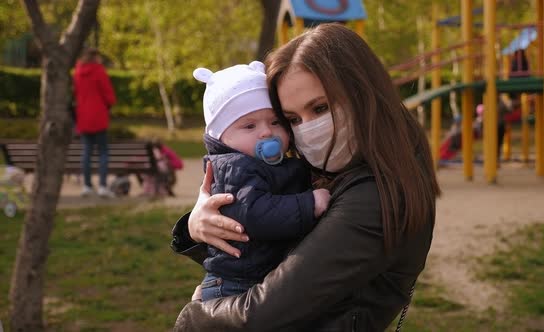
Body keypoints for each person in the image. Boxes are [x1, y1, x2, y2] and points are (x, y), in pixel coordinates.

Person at [170, 23, 440, 331]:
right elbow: (264, 242)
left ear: (363, 95)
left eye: (321, 108)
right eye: (293, 119)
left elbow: (260, 314)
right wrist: (199, 224)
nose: (308, 128)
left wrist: (194, 316)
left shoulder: (374, 198)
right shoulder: (339, 169)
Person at [190, 61, 330, 301]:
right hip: (236, 285)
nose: (266, 132)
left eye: (275, 122)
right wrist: (308, 204)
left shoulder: (270, 164)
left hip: (257, 278)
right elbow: (255, 213)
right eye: (249, 125)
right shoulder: (235, 166)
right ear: (221, 136)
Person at [73, 47, 117, 198]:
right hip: (98, 116)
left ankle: (87, 185)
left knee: (86, 152)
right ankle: (103, 186)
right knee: (103, 152)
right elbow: (109, 95)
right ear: (95, 57)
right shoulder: (99, 71)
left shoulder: (77, 72)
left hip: (83, 116)